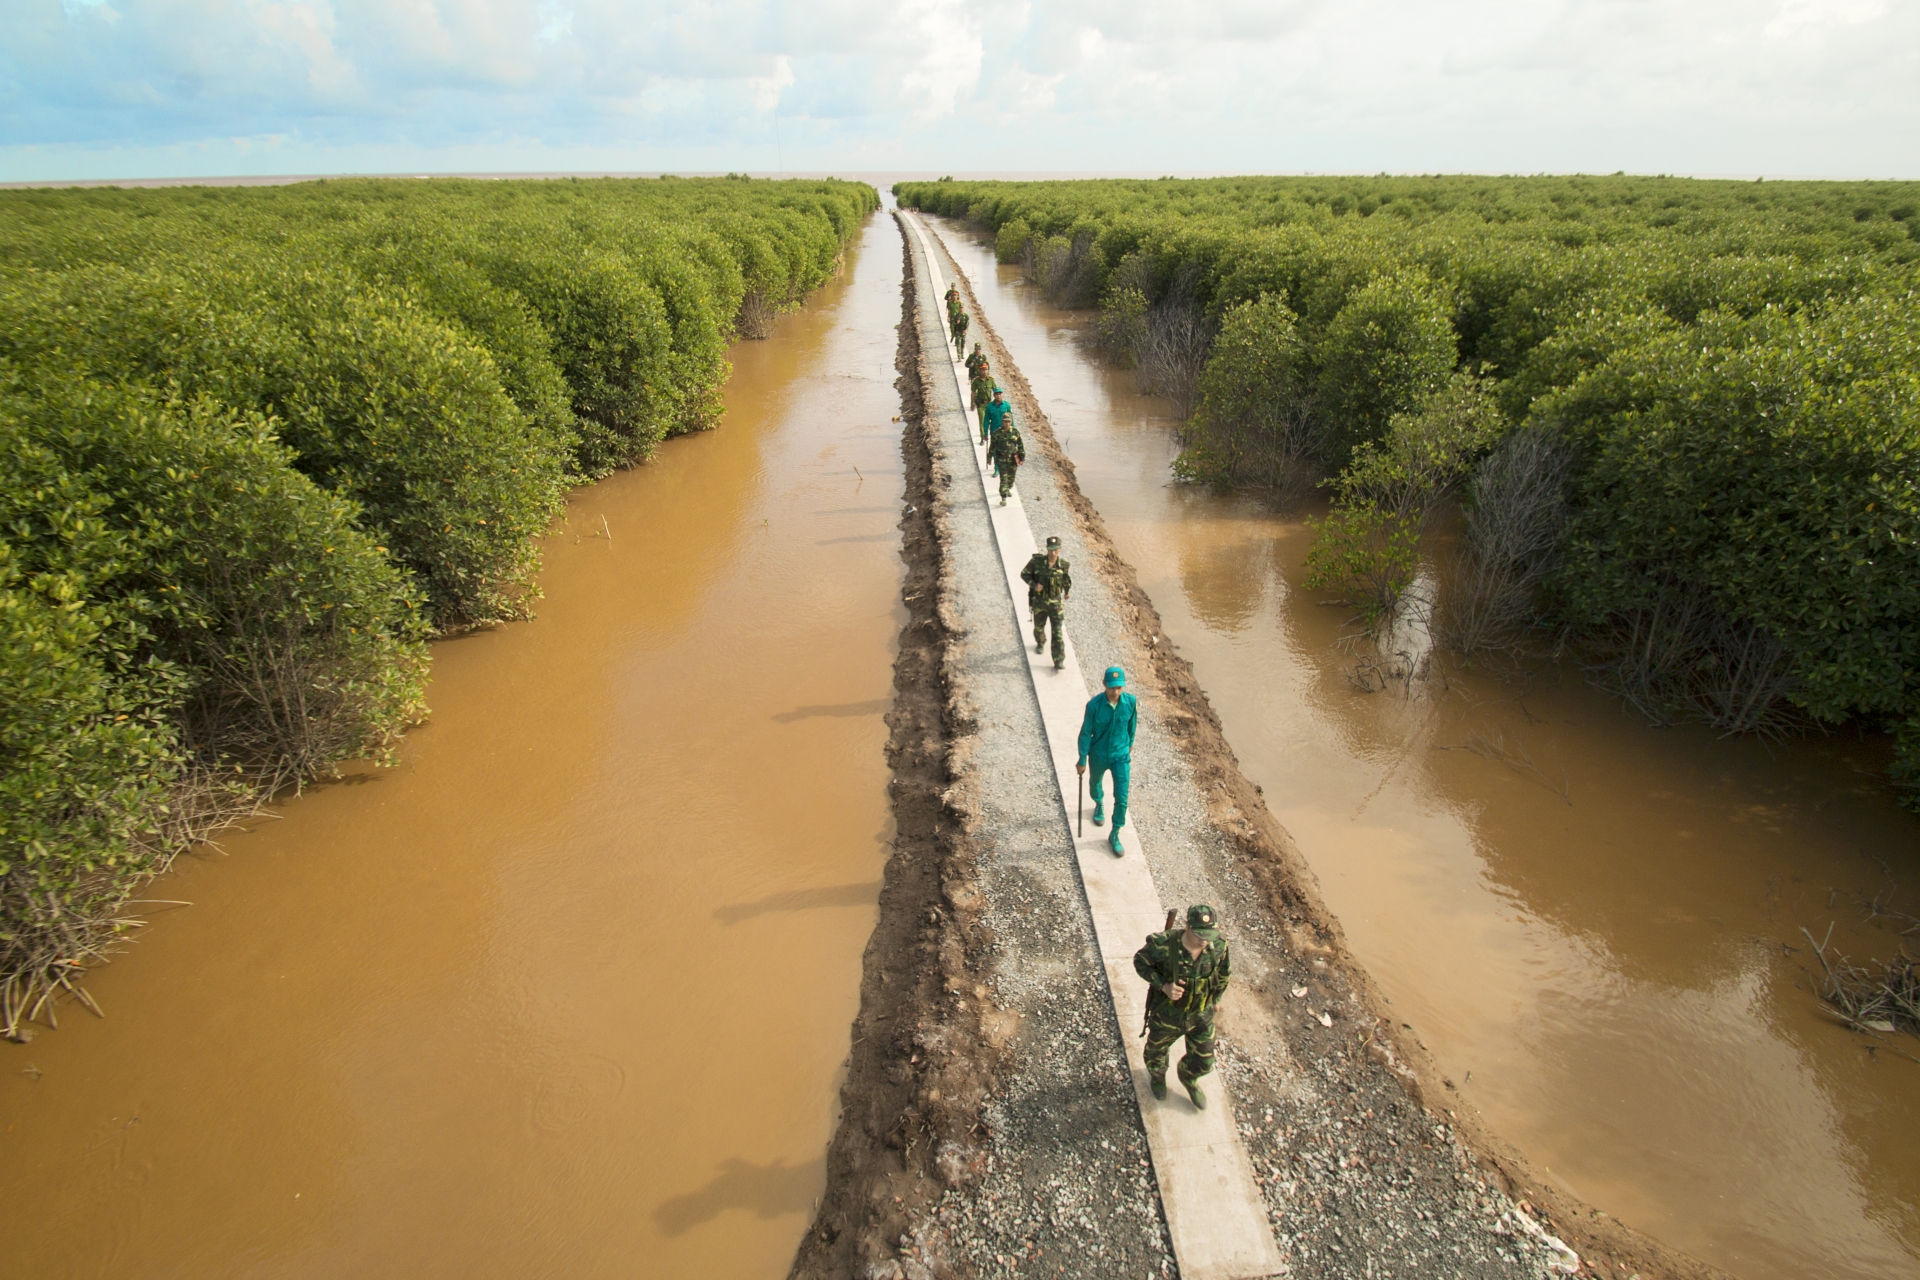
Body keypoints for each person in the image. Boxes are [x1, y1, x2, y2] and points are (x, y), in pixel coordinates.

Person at [1133, 904, 1232, 1109]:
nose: (1203, 940)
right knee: (1155, 1053)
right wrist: (1164, 986)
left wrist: (1216, 999)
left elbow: (1223, 974)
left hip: (1200, 1015)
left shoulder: (1219, 947)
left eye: (1208, 935)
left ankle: (1188, 1078)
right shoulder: (1162, 944)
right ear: (1187, 926)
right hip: (1168, 1014)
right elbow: (1140, 962)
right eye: (1199, 934)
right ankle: (1158, 1077)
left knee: (1205, 1060)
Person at [1076, 665, 1137, 854]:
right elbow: (1086, 733)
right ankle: (1099, 803)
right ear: (1104, 684)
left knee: (1122, 797)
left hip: (1120, 756)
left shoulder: (1130, 702)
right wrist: (1082, 759)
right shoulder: (1093, 706)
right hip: (1099, 754)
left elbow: (1132, 726)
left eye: (1119, 687)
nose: (1115, 691)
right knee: (1095, 783)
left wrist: (1129, 745)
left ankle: (1115, 832)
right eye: (1111, 687)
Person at [1020, 535, 1072, 668]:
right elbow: (1024, 574)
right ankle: (1040, 642)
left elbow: (1066, 580)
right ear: (1047, 549)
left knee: (1058, 633)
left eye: (1055, 550)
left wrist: (1067, 592)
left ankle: (1059, 660)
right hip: (1039, 603)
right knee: (1038, 628)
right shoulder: (1036, 562)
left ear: (1060, 549)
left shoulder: (1064, 565)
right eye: (1050, 549)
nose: (1053, 553)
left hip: (1056, 605)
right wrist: (1034, 584)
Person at [988, 415, 1025, 505]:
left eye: (1008, 422)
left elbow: (1020, 446)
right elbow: (992, 446)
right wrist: (989, 457)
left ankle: (1008, 488)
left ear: (1011, 422)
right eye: (1005, 421)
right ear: (1002, 422)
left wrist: (1022, 457)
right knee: (1003, 479)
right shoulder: (997, 433)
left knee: (1011, 479)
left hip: (1012, 459)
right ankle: (1003, 498)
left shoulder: (1016, 432)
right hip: (1001, 459)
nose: (1007, 423)